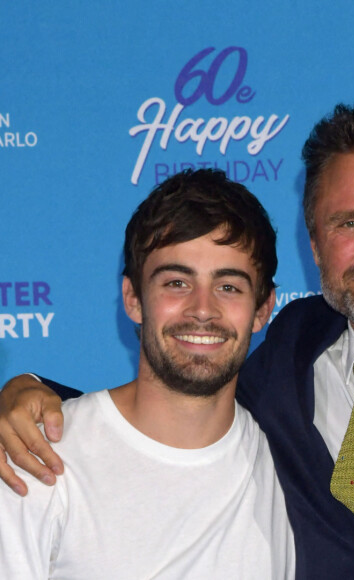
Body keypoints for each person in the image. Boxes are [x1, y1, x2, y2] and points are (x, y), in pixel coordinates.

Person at [1, 101, 354, 578]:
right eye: (348, 222)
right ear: (314, 240)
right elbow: (178, 391)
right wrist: (27, 389)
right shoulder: (288, 353)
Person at [0, 169, 295, 579]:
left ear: (262, 310)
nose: (203, 309)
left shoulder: (287, 461)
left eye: (228, 286)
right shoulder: (38, 458)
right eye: (177, 282)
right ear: (134, 299)